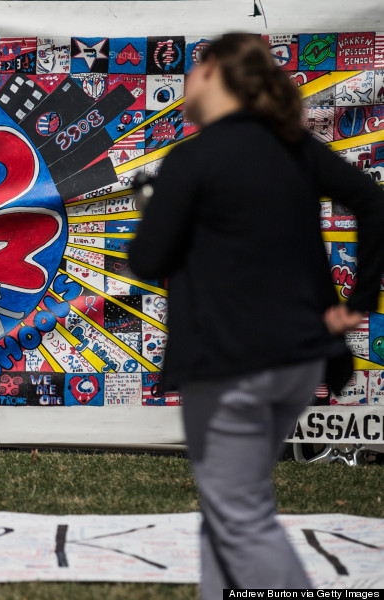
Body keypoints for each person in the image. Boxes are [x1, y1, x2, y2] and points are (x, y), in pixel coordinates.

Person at [128, 33, 384, 598]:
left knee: (238, 514)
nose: (187, 83)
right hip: (294, 362)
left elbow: (148, 259)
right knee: (230, 510)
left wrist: (154, 206)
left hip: (230, 367)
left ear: (215, 72)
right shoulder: (292, 145)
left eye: (195, 70)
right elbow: (372, 200)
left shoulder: (194, 157)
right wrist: (359, 302)